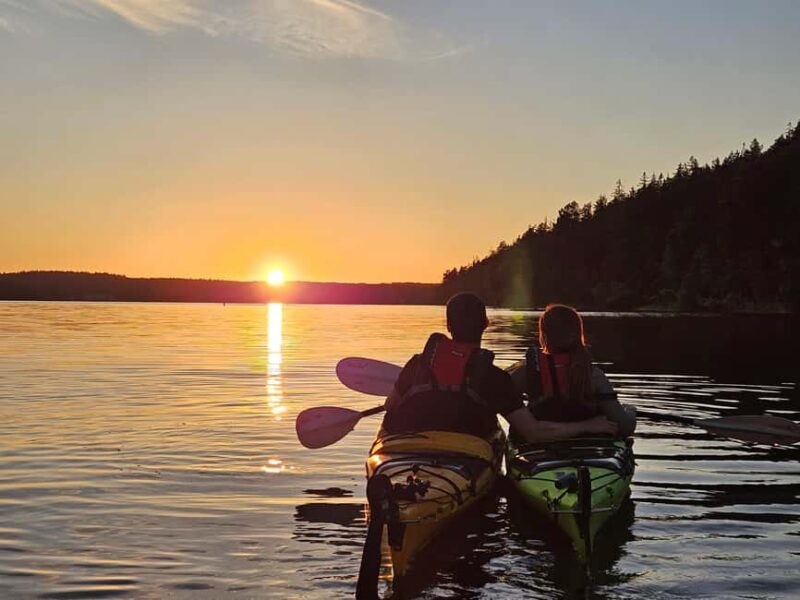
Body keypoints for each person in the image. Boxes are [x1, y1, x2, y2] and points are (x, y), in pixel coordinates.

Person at [382, 293, 618, 441]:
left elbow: (389, 406)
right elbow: (533, 432)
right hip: (465, 458)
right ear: (486, 324)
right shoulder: (494, 379)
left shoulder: (417, 364)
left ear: (448, 326)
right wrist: (588, 426)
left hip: (408, 450)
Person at [508, 303, 636, 437]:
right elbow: (624, 427)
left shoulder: (524, 374)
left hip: (539, 447)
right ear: (578, 333)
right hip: (590, 449)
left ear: (544, 335)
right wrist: (630, 411)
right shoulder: (593, 375)